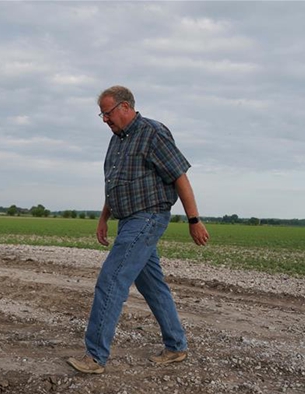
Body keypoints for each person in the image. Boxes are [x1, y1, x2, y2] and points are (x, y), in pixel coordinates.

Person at [67, 85, 209, 374]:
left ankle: (95, 357)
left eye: (107, 113)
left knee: (111, 279)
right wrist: (104, 217)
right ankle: (176, 346)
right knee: (152, 285)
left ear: (125, 107)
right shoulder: (117, 141)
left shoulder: (152, 133)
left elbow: (180, 176)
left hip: (148, 217)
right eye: (101, 115)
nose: (105, 119)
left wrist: (194, 220)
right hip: (128, 221)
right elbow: (115, 184)